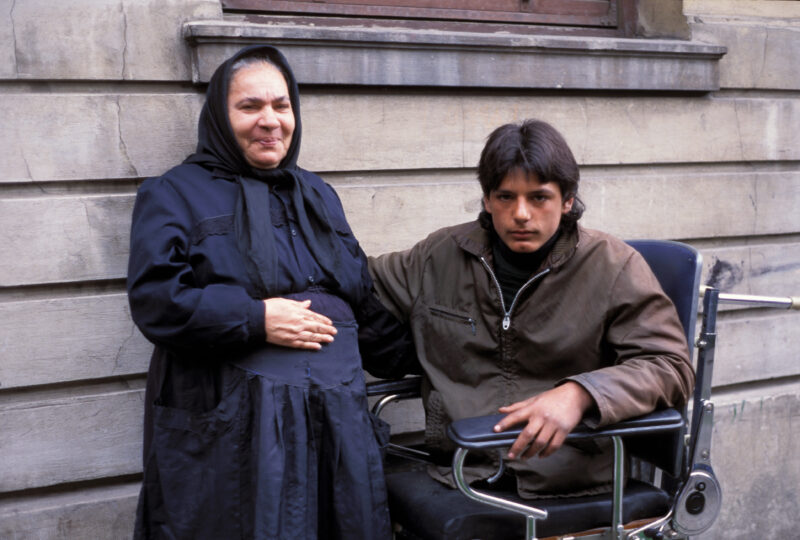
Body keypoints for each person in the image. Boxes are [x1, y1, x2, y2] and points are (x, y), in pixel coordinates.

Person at [127, 45, 413, 539]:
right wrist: (256, 318)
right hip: (241, 428)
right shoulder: (174, 193)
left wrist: (435, 361)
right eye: (250, 107)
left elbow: (361, 297)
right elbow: (158, 302)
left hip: (335, 423)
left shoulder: (318, 194)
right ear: (220, 114)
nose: (270, 121)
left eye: (281, 106)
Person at [368, 119, 695, 498]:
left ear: (567, 199)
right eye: (506, 197)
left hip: (568, 479)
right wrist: (281, 308)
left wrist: (579, 394)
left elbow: (670, 367)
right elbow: (356, 281)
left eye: (538, 197)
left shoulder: (614, 266)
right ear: (488, 200)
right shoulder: (440, 255)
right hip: (460, 472)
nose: (521, 214)